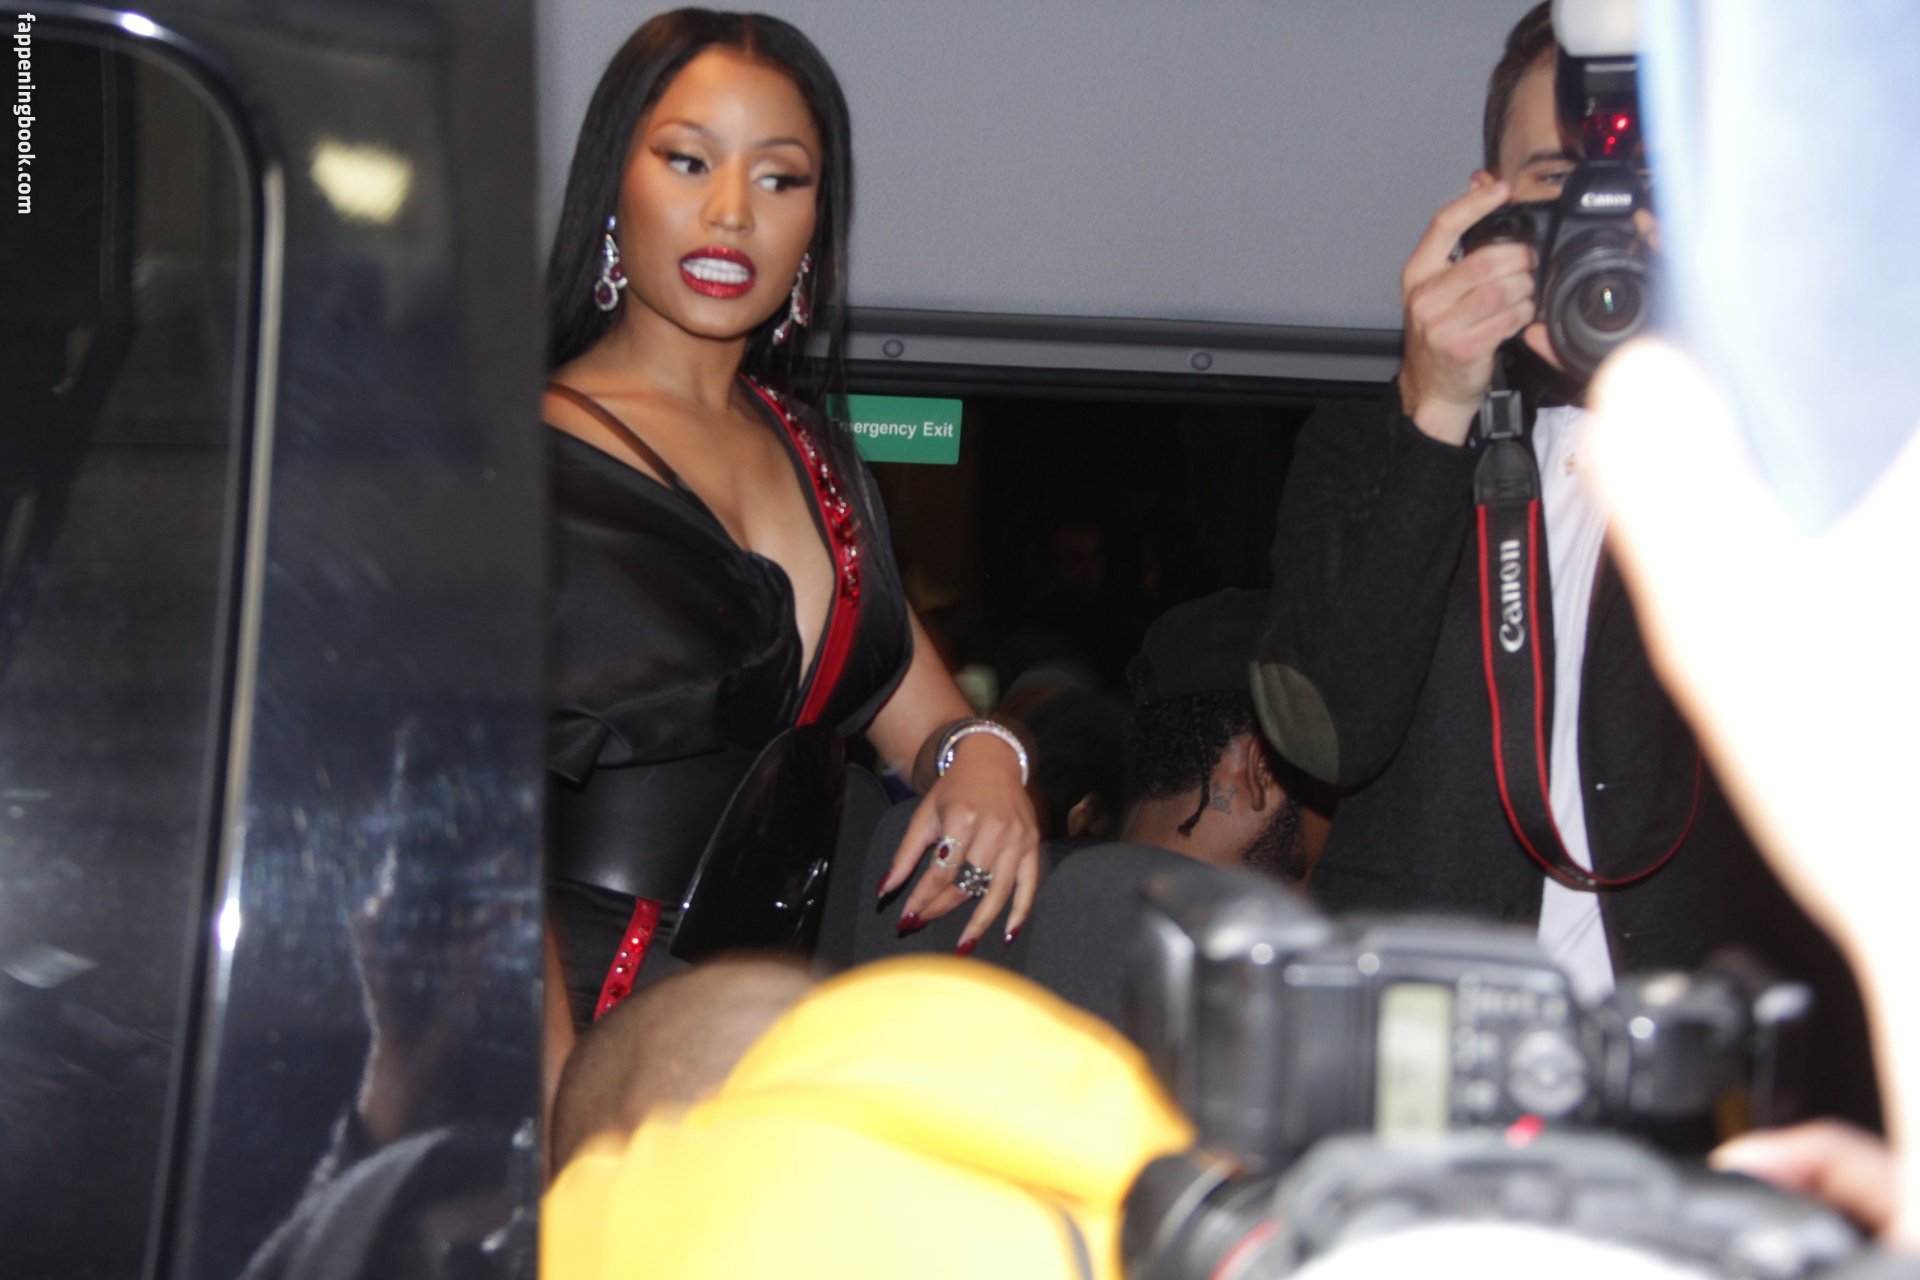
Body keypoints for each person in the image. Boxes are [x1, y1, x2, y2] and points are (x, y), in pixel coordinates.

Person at [1252, 2, 1876, 1127]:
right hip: (1412, 1076)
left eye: (1646, 180)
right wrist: (1432, 414)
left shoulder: (1802, 456)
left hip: (1688, 1091)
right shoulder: (1372, 445)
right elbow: (1321, 737)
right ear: (1488, 204)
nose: (1605, 214)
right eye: (1558, 178)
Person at [541, 10, 1040, 1033]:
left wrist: (989, 761)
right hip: (567, 1027)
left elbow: (929, 720)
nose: (731, 213)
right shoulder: (526, 456)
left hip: (759, 1034)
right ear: (612, 187)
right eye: (688, 162)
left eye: (780, 178)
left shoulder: (822, 458)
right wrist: (547, 1091)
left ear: (817, 224)